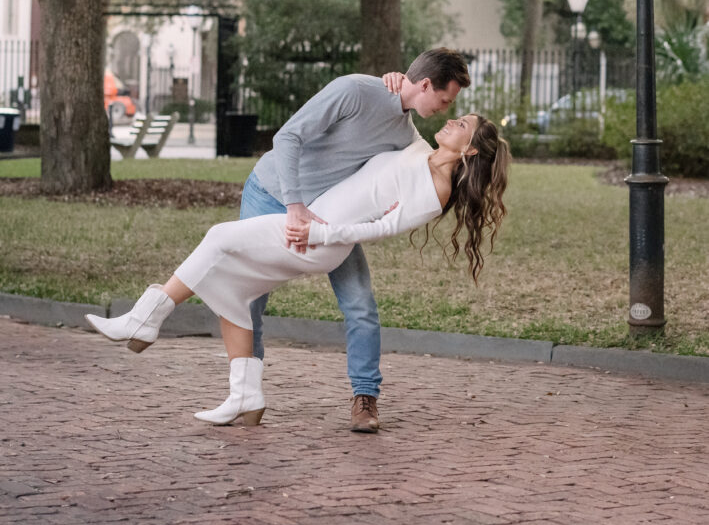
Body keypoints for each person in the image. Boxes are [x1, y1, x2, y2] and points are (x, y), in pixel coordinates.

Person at [85, 113, 509, 430]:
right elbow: (400, 110)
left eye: (461, 125)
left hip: (318, 240)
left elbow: (381, 228)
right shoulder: (418, 148)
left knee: (218, 237)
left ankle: (145, 319)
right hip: (312, 225)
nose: (451, 120)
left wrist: (323, 234)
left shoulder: (436, 192)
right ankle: (245, 396)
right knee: (236, 291)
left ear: (469, 150)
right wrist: (394, 82)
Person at [237, 47, 470, 433]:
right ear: (426, 84)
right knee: (250, 298)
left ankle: (365, 398)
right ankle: (245, 393)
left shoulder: (406, 135)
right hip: (271, 193)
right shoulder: (354, 90)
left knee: (360, 302)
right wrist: (294, 205)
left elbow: (426, 168)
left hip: (330, 218)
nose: (445, 109)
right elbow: (287, 136)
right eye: (445, 99)